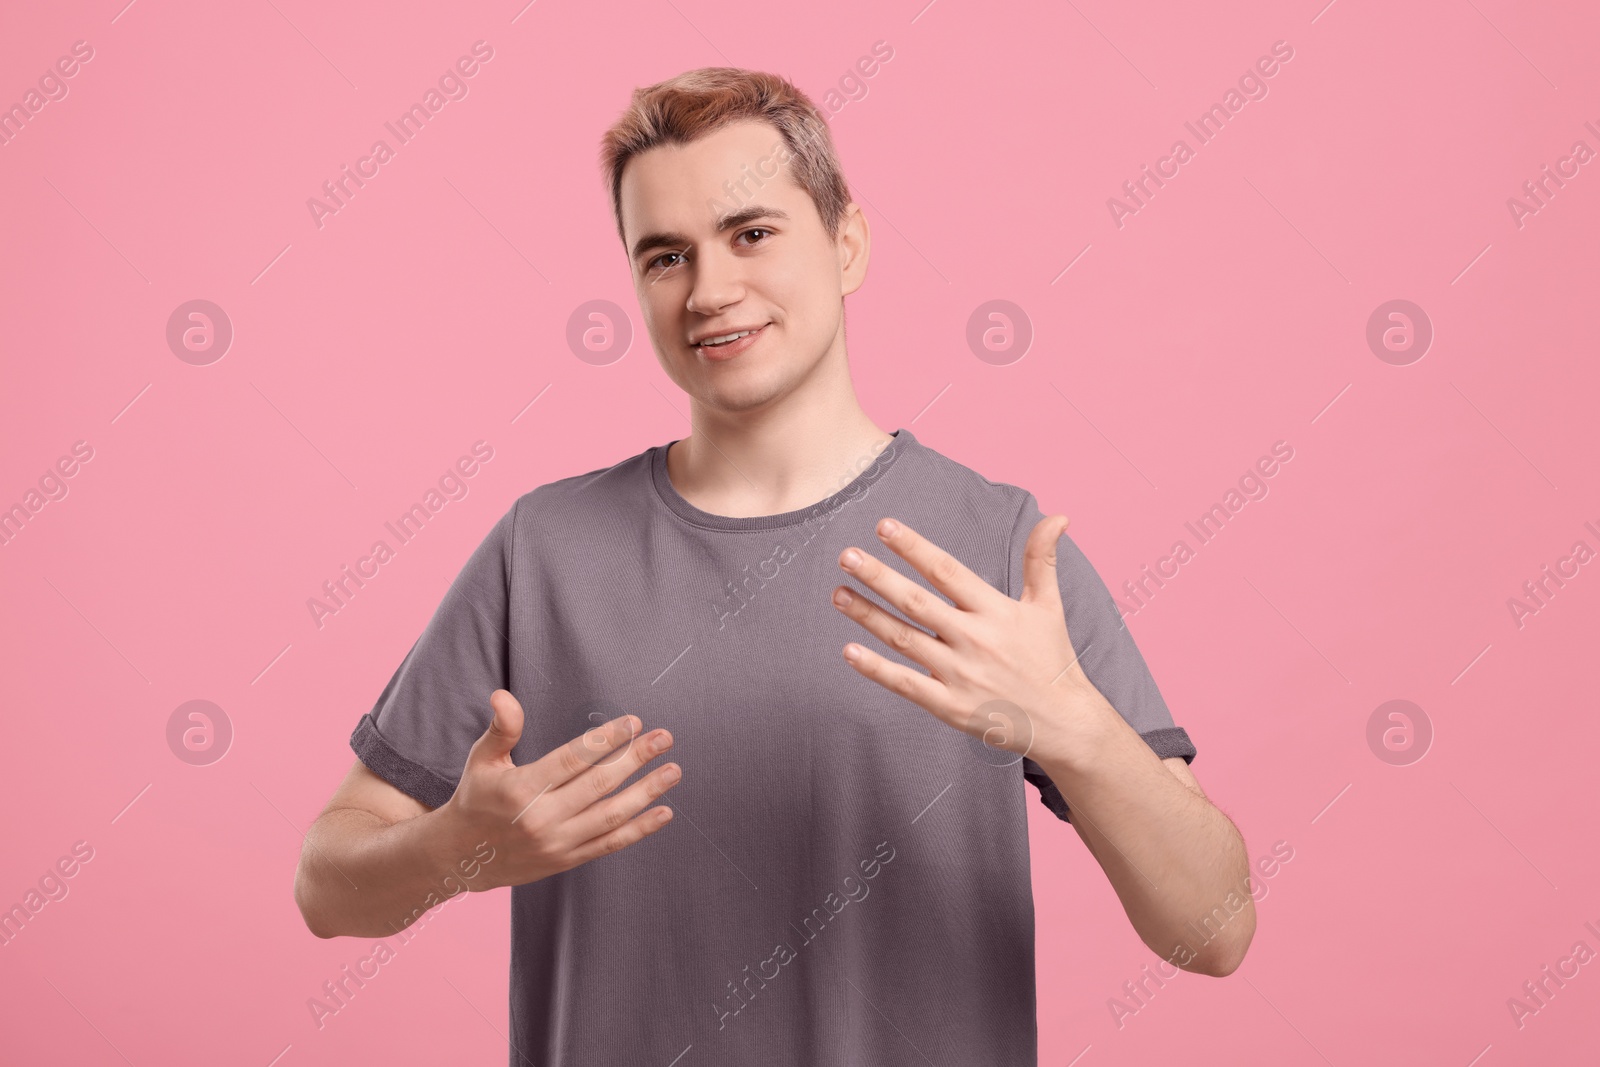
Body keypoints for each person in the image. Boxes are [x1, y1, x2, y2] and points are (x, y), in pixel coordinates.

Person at [293, 66, 1254, 1065]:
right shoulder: (543, 548)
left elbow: (1215, 925)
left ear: (846, 244)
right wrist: (455, 848)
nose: (710, 291)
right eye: (666, 256)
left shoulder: (997, 544)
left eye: (751, 233)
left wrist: (1077, 732)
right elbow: (326, 882)